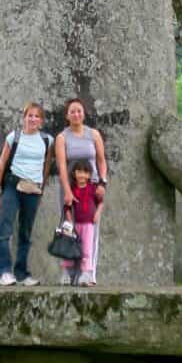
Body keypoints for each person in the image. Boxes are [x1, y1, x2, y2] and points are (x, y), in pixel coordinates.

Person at [0, 101, 53, 287]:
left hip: (33, 188)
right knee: (5, 229)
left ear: (41, 121)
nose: (33, 119)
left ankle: (22, 273)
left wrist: (41, 188)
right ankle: (4, 272)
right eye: (30, 115)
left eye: (37, 116)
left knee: (25, 232)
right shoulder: (14, 137)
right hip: (12, 185)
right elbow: (2, 164)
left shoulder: (47, 140)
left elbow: (47, 165)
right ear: (24, 118)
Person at [55, 96, 107, 282]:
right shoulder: (62, 138)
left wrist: (102, 182)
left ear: (83, 113)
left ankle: (88, 273)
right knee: (68, 228)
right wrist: (67, 190)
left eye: (79, 111)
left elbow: (101, 161)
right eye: (72, 111)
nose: (76, 114)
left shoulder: (93, 134)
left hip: (91, 188)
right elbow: (61, 166)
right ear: (67, 115)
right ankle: (69, 272)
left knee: (89, 230)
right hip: (70, 187)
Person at [60, 158, 103, 286]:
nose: (82, 175)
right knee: (70, 249)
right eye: (79, 171)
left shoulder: (92, 188)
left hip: (88, 225)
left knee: (86, 250)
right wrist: (69, 221)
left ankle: (85, 275)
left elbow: (100, 202)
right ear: (74, 173)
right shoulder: (72, 189)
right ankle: (68, 274)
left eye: (85, 172)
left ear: (89, 175)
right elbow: (67, 207)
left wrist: (97, 214)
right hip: (74, 225)